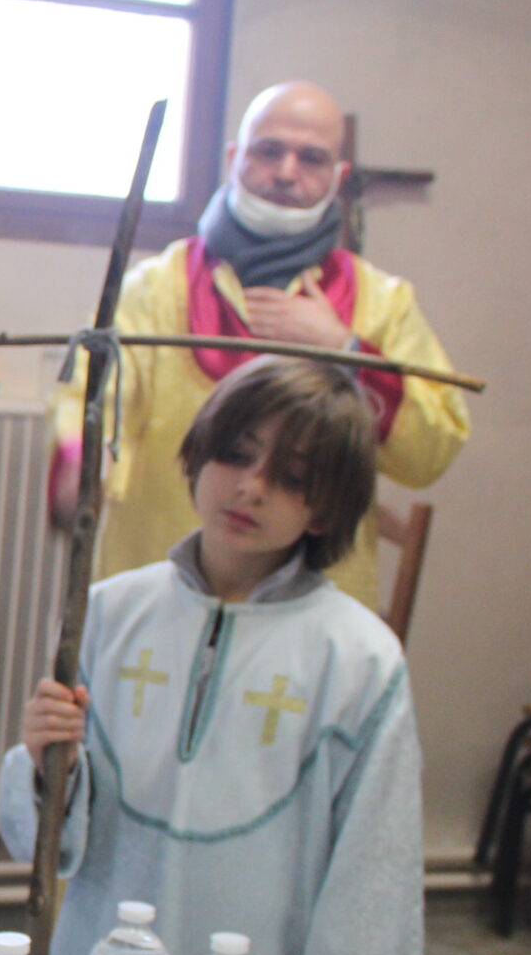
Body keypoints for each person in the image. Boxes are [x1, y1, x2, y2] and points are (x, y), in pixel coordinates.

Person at [0, 357, 424, 955]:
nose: (251, 488)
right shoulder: (108, 613)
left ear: (327, 507)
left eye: (291, 478)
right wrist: (51, 760)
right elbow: (44, 840)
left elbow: (375, 875)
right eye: (237, 454)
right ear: (197, 455)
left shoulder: (357, 658)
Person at [90, 82, 470, 610]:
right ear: (233, 159)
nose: (287, 172)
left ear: (337, 177)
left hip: (312, 607)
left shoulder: (383, 303)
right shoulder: (155, 288)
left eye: (311, 158)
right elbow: (96, 409)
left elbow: (431, 453)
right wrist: (81, 463)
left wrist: (347, 350)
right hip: (164, 590)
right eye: (268, 150)